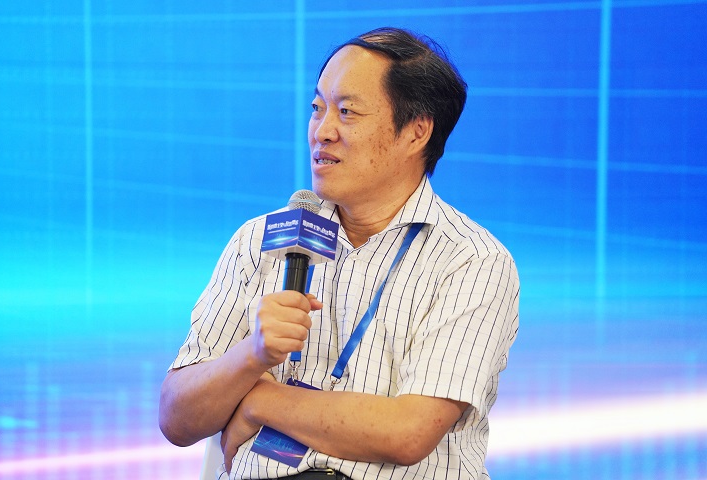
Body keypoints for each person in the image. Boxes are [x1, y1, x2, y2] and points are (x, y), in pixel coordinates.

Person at [159, 27, 519, 480]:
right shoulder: (261, 240)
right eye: (317, 108)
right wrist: (251, 356)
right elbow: (176, 418)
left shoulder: (471, 261)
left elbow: (407, 433)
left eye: (347, 112)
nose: (322, 132)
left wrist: (258, 401)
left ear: (416, 132)